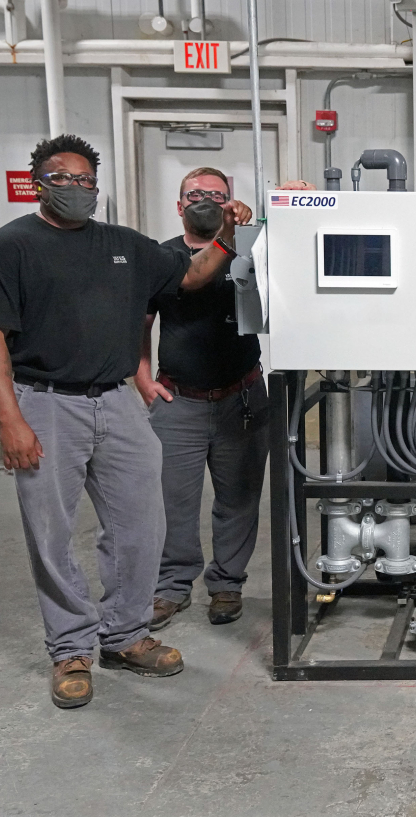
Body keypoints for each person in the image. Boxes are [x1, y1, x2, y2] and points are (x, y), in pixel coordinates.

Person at [0, 134, 250, 709]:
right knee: (52, 531)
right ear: (38, 182)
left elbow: (190, 276)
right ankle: (70, 646)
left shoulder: (123, 246)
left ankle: (124, 634)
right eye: (62, 178)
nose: (76, 188)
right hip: (45, 402)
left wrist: (227, 231)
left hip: (117, 402)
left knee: (142, 523)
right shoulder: (9, 247)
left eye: (86, 180)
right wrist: (10, 419)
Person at [136, 169, 266, 631]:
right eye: (196, 194)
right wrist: (143, 379)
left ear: (232, 203)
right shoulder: (161, 256)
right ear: (179, 205)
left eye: (217, 195)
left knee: (239, 497)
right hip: (179, 401)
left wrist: (282, 208)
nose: (205, 200)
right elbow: (140, 321)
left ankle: (227, 583)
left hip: (242, 396)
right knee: (173, 500)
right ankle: (172, 587)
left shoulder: (253, 250)